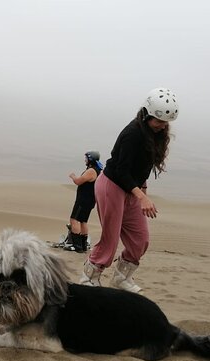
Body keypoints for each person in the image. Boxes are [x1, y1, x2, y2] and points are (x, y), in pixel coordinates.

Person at [80, 87, 179, 291]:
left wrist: (143, 190)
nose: (162, 126)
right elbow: (121, 171)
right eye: (158, 121)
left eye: (165, 122)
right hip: (112, 185)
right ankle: (89, 279)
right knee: (110, 239)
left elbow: (141, 169)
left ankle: (120, 278)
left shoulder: (156, 135)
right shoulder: (132, 134)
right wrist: (140, 196)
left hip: (133, 189)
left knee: (140, 240)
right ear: (147, 114)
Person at [65, 151, 103, 253]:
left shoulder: (91, 171)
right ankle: (83, 246)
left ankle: (77, 246)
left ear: (90, 159)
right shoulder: (97, 170)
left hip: (83, 200)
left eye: (86, 158)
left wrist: (73, 176)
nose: (85, 160)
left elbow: (78, 181)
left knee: (74, 220)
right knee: (83, 221)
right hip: (89, 200)